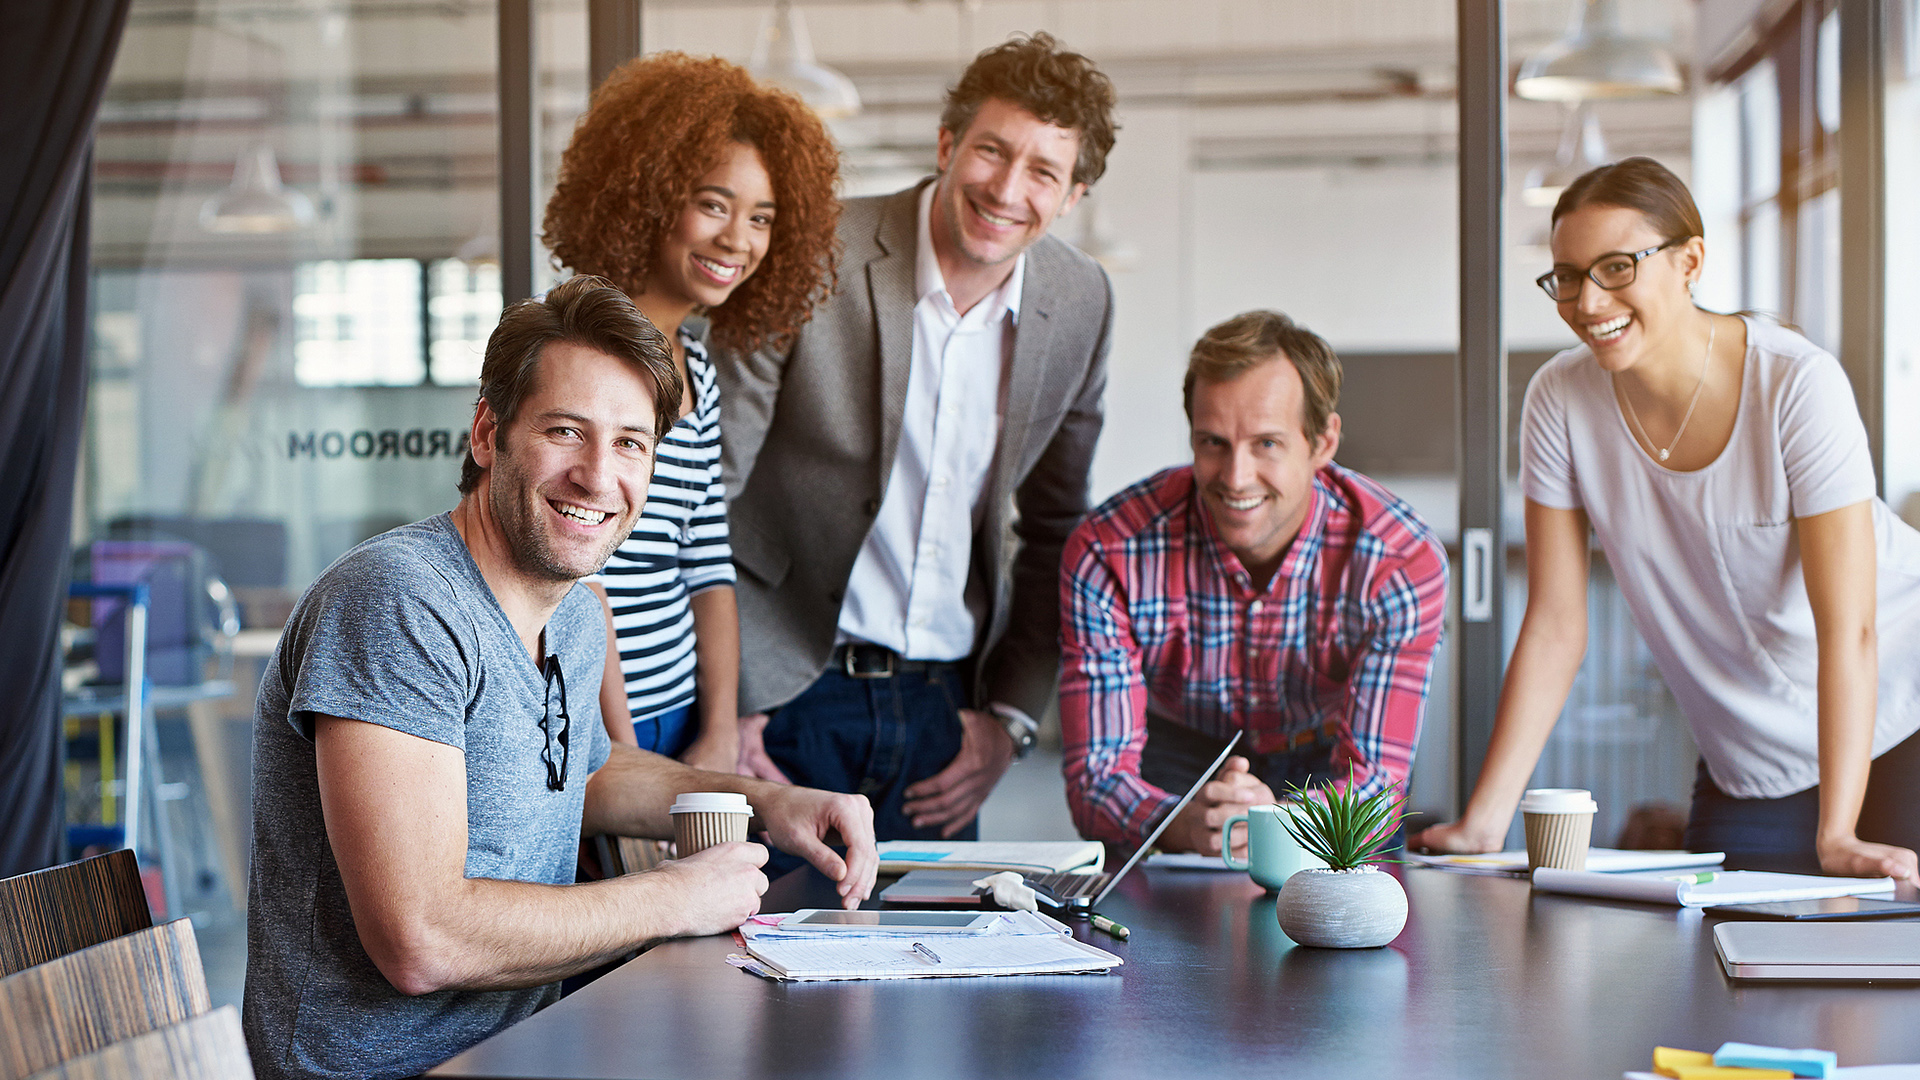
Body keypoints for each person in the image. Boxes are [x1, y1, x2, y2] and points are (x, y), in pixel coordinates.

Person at [242, 277, 876, 1080]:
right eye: (566, 431)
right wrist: (675, 897)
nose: (597, 475)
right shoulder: (398, 601)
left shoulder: (573, 615)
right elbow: (421, 939)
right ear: (487, 434)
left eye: (630, 444)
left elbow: (587, 773)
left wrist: (765, 802)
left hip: (525, 1051)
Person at [1412, 157, 1920, 883]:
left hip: (1900, 701)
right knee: (1715, 941)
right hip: (1751, 754)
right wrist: (1483, 821)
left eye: (1617, 267)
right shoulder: (1560, 399)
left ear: (1690, 262)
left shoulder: (1795, 383)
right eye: (1568, 277)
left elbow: (1852, 627)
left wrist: (1836, 834)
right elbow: (1556, 626)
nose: (1589, 301)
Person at [718, 32, 1118, 843]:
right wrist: (728, 700)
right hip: (783, 693)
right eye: (991, 151)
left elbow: (1056, 530)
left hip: (946, 714)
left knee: (933, 931)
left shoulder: (1082, 302)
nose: (1006, 189)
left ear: (1073, 195)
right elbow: (709, 486)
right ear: (947, 145)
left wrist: (1010, 720)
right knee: (759, 929)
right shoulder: (814, 250)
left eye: (1043, 172)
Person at [542, 54, 840, 771]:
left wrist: (719, 729)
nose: (738, 239)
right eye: (713, 204)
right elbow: (577, 575)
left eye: (761, 218)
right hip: (592, 721)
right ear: (647, 198)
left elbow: (706, 563)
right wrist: (619, 749)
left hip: (683, 718)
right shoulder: (581, 353)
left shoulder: (697, 367)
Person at [1057, 311, 1448, 854]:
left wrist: (1277, 822)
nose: (1236, 478)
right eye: (1213, 442)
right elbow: (1097, 780)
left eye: (1266, 443)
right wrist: (1179, 824)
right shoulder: (1109, 550)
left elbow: (1374, 791)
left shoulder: (1399, 561)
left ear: (1323, 442)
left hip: (1327, 762)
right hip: (1175, 763)